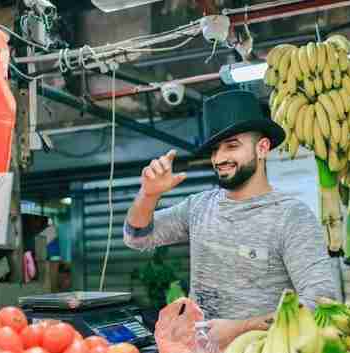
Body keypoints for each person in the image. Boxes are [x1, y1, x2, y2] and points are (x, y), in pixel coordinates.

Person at [123, 90, 338, 349]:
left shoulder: (291, 216)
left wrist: (240, 328)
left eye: (232, 146)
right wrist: (148, 193)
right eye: (215, 149)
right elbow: (137, 237)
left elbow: (321, 301)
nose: (220, 158)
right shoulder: (199, 206)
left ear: (262, 148)